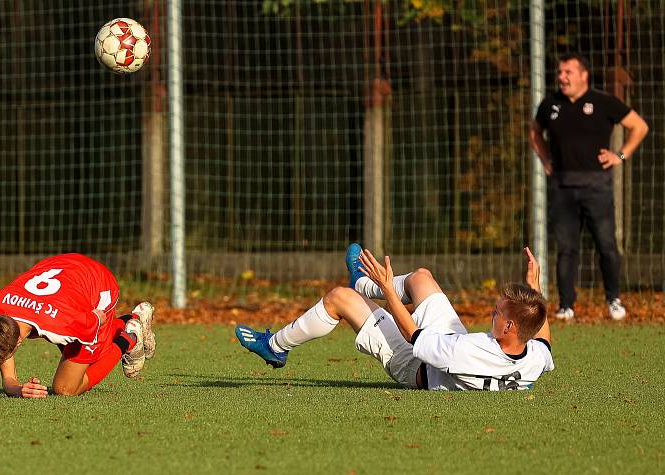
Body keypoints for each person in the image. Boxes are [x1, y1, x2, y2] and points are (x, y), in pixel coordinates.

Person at [235, 244, 553, 391]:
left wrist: (387, 290)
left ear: (510, 326)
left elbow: (412, 334)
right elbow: (543, 341)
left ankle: (276, 346)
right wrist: (534, 291)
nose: (491, 313)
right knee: (421, 278)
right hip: (447, 344)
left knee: (338, 299)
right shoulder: (532, 359)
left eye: (497, 313)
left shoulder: (467, 352)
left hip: (416, 365)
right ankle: (361, 281)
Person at [529, 52, 649, 321]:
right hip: (562, 188)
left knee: (606, 244)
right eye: (560, 72)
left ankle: (613, 300)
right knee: (566, 248)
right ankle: (566, 305)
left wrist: (620, 155)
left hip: (597, 188)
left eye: (568, 72)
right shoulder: (550, 105)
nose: (562, 77)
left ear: (584, 75)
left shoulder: (603, 102)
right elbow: (534, 132)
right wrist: (546, 159)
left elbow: (639, 126)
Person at [0, 253, 156, 398]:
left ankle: (130, 336)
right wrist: (13, 386)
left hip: (98, 285)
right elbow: (1, 341)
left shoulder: (65, 325)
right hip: (62, 267)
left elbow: (98, 319)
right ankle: (133, 320)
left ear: (18, 342)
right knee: (73, 358)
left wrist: (96, 324)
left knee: (66, 387)